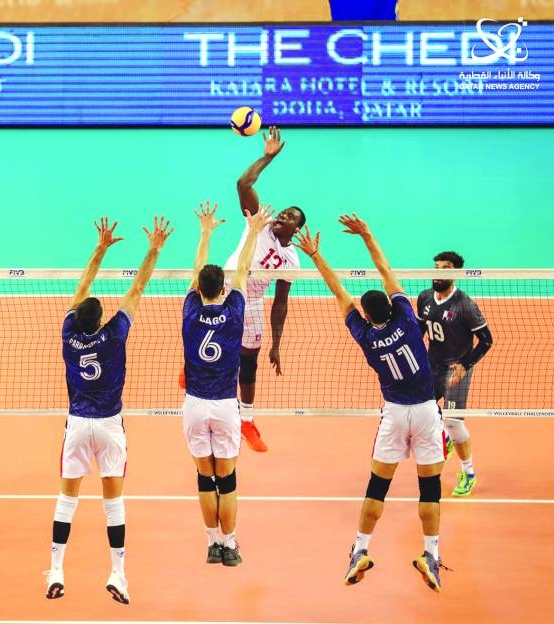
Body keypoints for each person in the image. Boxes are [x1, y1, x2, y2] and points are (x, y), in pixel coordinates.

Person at [294, 215, 447, 592]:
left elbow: (338, 293)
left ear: (367, 316)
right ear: (393, 307)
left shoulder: (363, 334)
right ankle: (431, 554)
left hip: (394, 415)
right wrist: (366, 234)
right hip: (427, 411)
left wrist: (316, 255)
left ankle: (360, 548)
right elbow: (384, 268)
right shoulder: (409, 320)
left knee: (377, 487)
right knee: (430, 489)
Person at [45, 216, 173, 605]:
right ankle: (118, 573)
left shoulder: (69, 335)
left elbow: (81, 288)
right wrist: (154, 249)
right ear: (100, 320)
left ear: (78, 318)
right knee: (113, 501)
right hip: (109, 426)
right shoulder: (115, 333)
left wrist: (99, 250)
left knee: (67, 499)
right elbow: (137, 288)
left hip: (79, 425)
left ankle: (56, 570)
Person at [182, 202, 273, 566]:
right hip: (224, 405)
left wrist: (205, 232)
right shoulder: (235, 311)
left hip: (194, 404)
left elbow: (196, 271)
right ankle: (231, 545)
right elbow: (243, 272)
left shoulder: (190, 310)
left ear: (200, 289)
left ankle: (211, 544)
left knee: (205, 477)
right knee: (228, 477)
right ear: (222, 289)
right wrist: (252, 231)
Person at [229, 126, 306, 452]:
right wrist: (267, 157)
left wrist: (277, 343)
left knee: (250, 360)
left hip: (255, 301)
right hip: (228, 286)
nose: (282, 216)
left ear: (296, 229)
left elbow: (281, 304)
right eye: (283, 212)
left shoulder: (292, 260)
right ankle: (192, 369)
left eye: (289, 217)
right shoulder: (257, 223)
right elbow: (243, 184)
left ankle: (247, 420)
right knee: (210, 337)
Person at [417, 251, 493, 497]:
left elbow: (486, 341)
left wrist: (464, 365)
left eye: (445, 267)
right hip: (431, 365)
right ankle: (446, 437)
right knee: (424, 411)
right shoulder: (425, 297)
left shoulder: (465, 305)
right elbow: (420, 329)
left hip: (455, 370)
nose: (438, 272)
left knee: (453, 422)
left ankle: (468, 472)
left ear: (456, 273)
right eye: (436, 266)